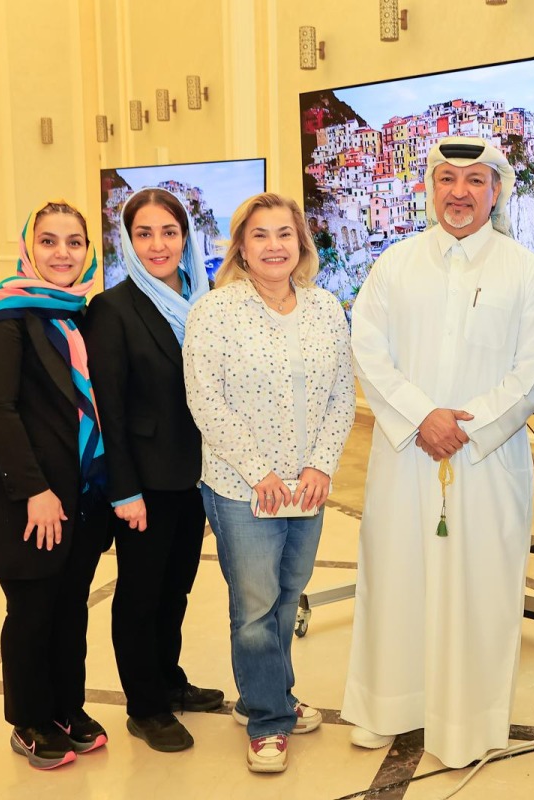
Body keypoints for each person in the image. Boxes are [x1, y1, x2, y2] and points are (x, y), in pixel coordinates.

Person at [343, 136, 534, 769]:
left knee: (479, 587)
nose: (459, 192)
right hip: (405, 454)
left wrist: (467, 426)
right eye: (447, 179)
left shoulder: (525, 270)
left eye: (474, 180)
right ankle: (387, 706)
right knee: (397, 577)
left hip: (486, 463)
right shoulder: (393, 265)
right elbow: (369, 350)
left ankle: (466, 723)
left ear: (496, 191)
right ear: (430, 188)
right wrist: (422, 417)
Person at [183, 192, 355, 774]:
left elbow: (340, 396)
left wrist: (321, 465)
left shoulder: (327, 308)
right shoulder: (215, 310)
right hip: (241, 486)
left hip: (307, 486)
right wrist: (260, 472)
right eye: (261, 235)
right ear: (241, 247)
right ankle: (267, 720)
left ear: (301, 244)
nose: (274, 246)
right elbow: (205, 400)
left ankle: (270, 692)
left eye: (285, 234)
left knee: (286, 596)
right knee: (254, 606)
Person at [0, 200, 109, 770]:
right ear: (28, 247)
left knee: (71, 606)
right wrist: (34, 492)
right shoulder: (5, 315)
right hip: (28, 496)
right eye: (49, 241)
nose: (62, 253)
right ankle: (29, 720)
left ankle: (67, 707)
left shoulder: (74, 314)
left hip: (79, 494)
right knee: (33, 609)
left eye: (73, 242)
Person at [82, 188, 224, 753]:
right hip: (144, 482)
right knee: (141, 595)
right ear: (128, 240)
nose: (158, 244)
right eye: (145, 233)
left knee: (177, 590)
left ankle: (169, 680)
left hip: (196, 475)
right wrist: (124, 490)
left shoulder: (203, 300)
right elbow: (108, 409)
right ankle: (144, 706)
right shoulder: (112, 309)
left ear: (185, 236)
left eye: (169, 231)